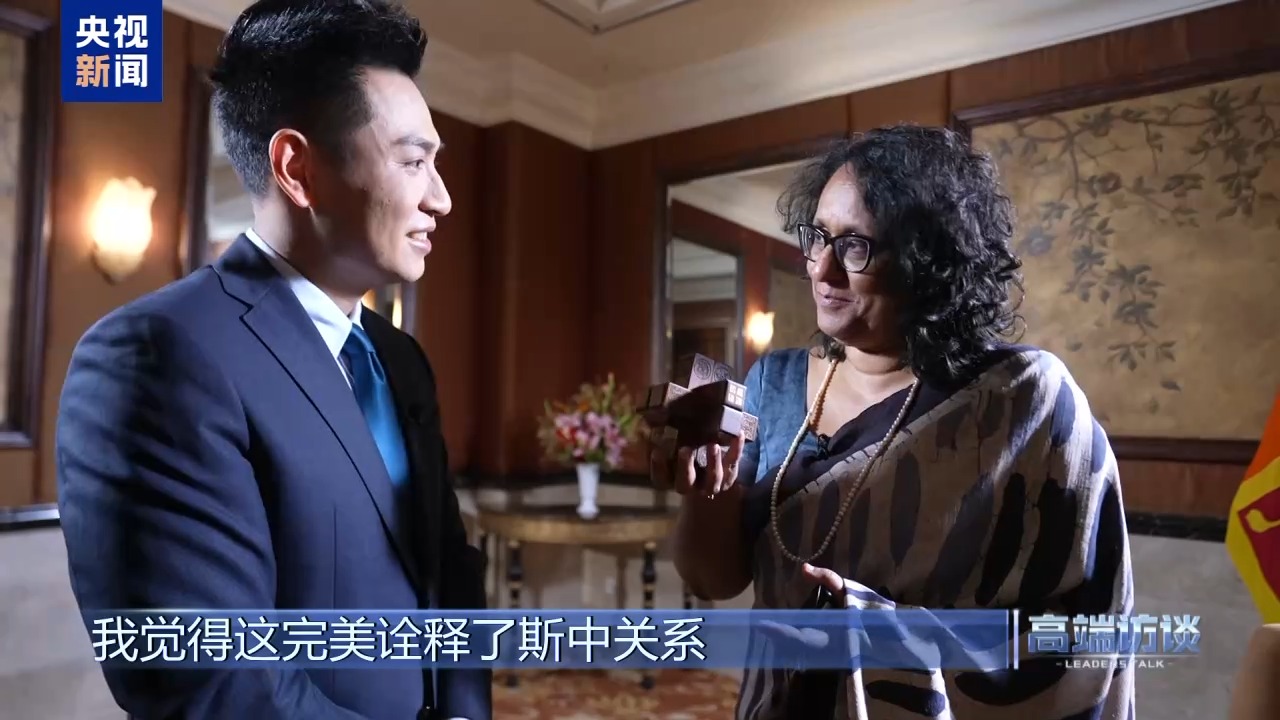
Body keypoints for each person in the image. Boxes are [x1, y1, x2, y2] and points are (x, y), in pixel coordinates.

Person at [54, 1, 489, 718]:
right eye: (414, 162)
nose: (440, 199)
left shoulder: (400, 359)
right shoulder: (155, 355)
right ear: (296, 167)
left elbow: (448, 574)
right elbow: (214, 681)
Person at [653, 125, 1135, 719]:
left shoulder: (1020, 400)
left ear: (926, 261)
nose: (822, 269)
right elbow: (714, 581)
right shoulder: (772, 385)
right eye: (817, 237)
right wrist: (707, 490)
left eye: (855, 246)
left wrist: (882, 633)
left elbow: (1085, 625)